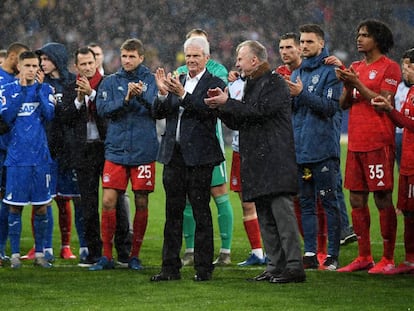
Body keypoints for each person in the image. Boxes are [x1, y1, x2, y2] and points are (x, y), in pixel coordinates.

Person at [205, 40, 305, 284]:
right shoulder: (252, 84)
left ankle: (294, 266)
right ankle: (275, 266)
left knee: (282, 214)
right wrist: (222, 107)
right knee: (265, 215)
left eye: (240, 58)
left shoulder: (274, 83)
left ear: (255, 60)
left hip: (275, 159)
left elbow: (258, 112)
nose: (236, 63)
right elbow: (241, 121)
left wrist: (228, 103)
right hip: (259, 161)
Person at [151, 36, 225, 282]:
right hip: (174, 156)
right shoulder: (177, 81)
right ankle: (169, 268)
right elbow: (159, 112)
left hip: (199, 158)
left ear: (207, 58)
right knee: (172, 213)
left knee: (201, 212)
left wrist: (182, 95)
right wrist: (162, 94)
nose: (191, 60)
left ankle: (203, 269)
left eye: (196, 56)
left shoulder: (214, 83)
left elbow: (207, 112)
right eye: (188, 56)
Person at [336, 19, 401, 274]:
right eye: (358, 34)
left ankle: (387, 258)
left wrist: (357, 84)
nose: (359, 39)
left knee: (383, 198)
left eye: (365, 35)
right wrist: (346, 85)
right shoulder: (355, 67)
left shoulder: (390, 68)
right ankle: (364, 256)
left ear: (377, 40)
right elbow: (344, 104)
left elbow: (383, 102)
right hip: (356, 143)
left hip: (378, 143)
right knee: (356, 198)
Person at [91, 38, 158, 271]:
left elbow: (158, 110)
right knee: (108, 201)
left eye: (132, 56)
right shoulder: (110, 82)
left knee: (141, 200)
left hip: (143, 150)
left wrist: (140, 95)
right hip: (116, 149)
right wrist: (127, 99)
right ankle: (107, 256)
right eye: (124, 56)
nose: (127, 60)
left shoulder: (150, 80)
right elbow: (102, 110)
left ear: (141, 58)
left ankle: (135, 256)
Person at [176, 28, 234, 266]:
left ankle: (226, 250)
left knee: (218, 193)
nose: (192, 58)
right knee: (190, 198)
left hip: (210, 139)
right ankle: (190, 250)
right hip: (185, 142)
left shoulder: (216, 71)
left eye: (198, 51)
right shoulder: (180, 73)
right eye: (189, 52)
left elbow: (207, 101)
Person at [287, 24, 342, 271]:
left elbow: (330, 108)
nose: (304, 46)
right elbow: (293, 111)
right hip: (301, 150)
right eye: (302, 41)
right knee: (307, 203)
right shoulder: (297, 74)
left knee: (329, 202)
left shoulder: (332, 71)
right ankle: (310, 253)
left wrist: (300, 95)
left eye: (309, 42)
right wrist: (288, 98)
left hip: (322, 149)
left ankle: (332, 255)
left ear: (321, 44)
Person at [0, 50, 55, 269]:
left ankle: (40, 253)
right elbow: (7, 117)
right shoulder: (7, 90)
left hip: (40, 159)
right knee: (15, 208)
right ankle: (14, 254)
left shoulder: (46, 89)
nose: (32, 70)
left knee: (41, 207)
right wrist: (23, 91)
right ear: (20, 67)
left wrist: (39, 90)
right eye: (28, 66)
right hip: (16, 159)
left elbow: (50, 115)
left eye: (35, 66)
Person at [31, 42, 80, 262]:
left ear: (57, 58)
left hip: (68, 149)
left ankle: (67, 246)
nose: (43, 63)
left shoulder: (72, 82)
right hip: (46, 148)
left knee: (66, 199)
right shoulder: (41, 83)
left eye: (47, 59)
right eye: (41, 60)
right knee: (43, 199)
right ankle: (43, 246)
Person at [370, 49, 414, 274]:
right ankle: (409, 260)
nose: (404, 70)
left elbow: (410, 124)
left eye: (408, 66)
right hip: (407, 161)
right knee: (407, 212)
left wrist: (388, 111)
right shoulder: (410, 91)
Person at [227, 81, 265, 267]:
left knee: (267, 202)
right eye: (238, 58)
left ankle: (275, 250)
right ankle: (257, 252)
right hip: (237, 150)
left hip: (258, 151)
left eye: (242, 58)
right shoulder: (233, 85)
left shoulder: (265, 83)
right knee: (246, 203)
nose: (238, 62)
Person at [0, 42, 29, 266]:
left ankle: (2, 249)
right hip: (3, 148)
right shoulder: (3, 81)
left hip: (14, 151)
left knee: (7, 202)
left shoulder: (22, 82)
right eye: (21, 60)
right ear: (12, 58)